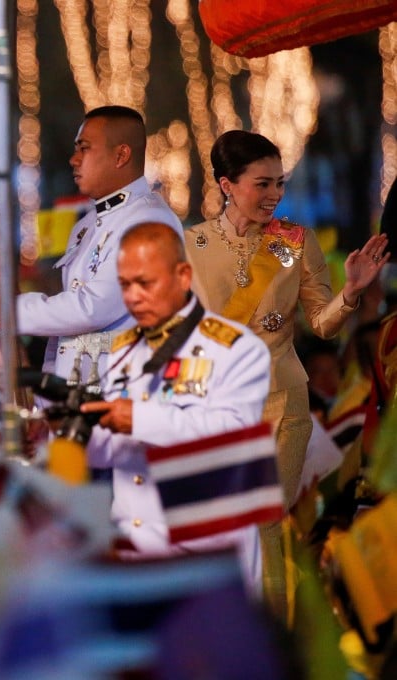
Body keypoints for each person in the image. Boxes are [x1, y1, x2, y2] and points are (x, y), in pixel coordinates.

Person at [184, 130, 389, 617]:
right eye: (262, 184)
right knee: (217, 522)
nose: (275, 195)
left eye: (280, 183)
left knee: (266, 517)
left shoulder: (293, 243)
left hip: (282, 402)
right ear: (227, 184)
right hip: (215, 402)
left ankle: (276, 637)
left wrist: (351, 293)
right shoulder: (189, 244)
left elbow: (322, 325)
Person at [79, 223, 270, 589]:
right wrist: (68, 433)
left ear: (183, 276)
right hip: (135, 554)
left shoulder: (235, 349)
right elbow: (114, 450)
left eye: (144, 283)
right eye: (124, 285)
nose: (132, 297)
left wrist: (138, 418)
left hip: (207, 560)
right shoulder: (122, 350)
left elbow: (233, 440)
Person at [14, 106, 183, 389]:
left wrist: (16, 312)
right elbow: (69, 335)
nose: (74, 160)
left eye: (85, 149)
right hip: (81, 395)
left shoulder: (149, 220)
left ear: (121, 155)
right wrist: (50, 396)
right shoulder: (87, 225)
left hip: (123, 393)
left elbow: (92, 308)